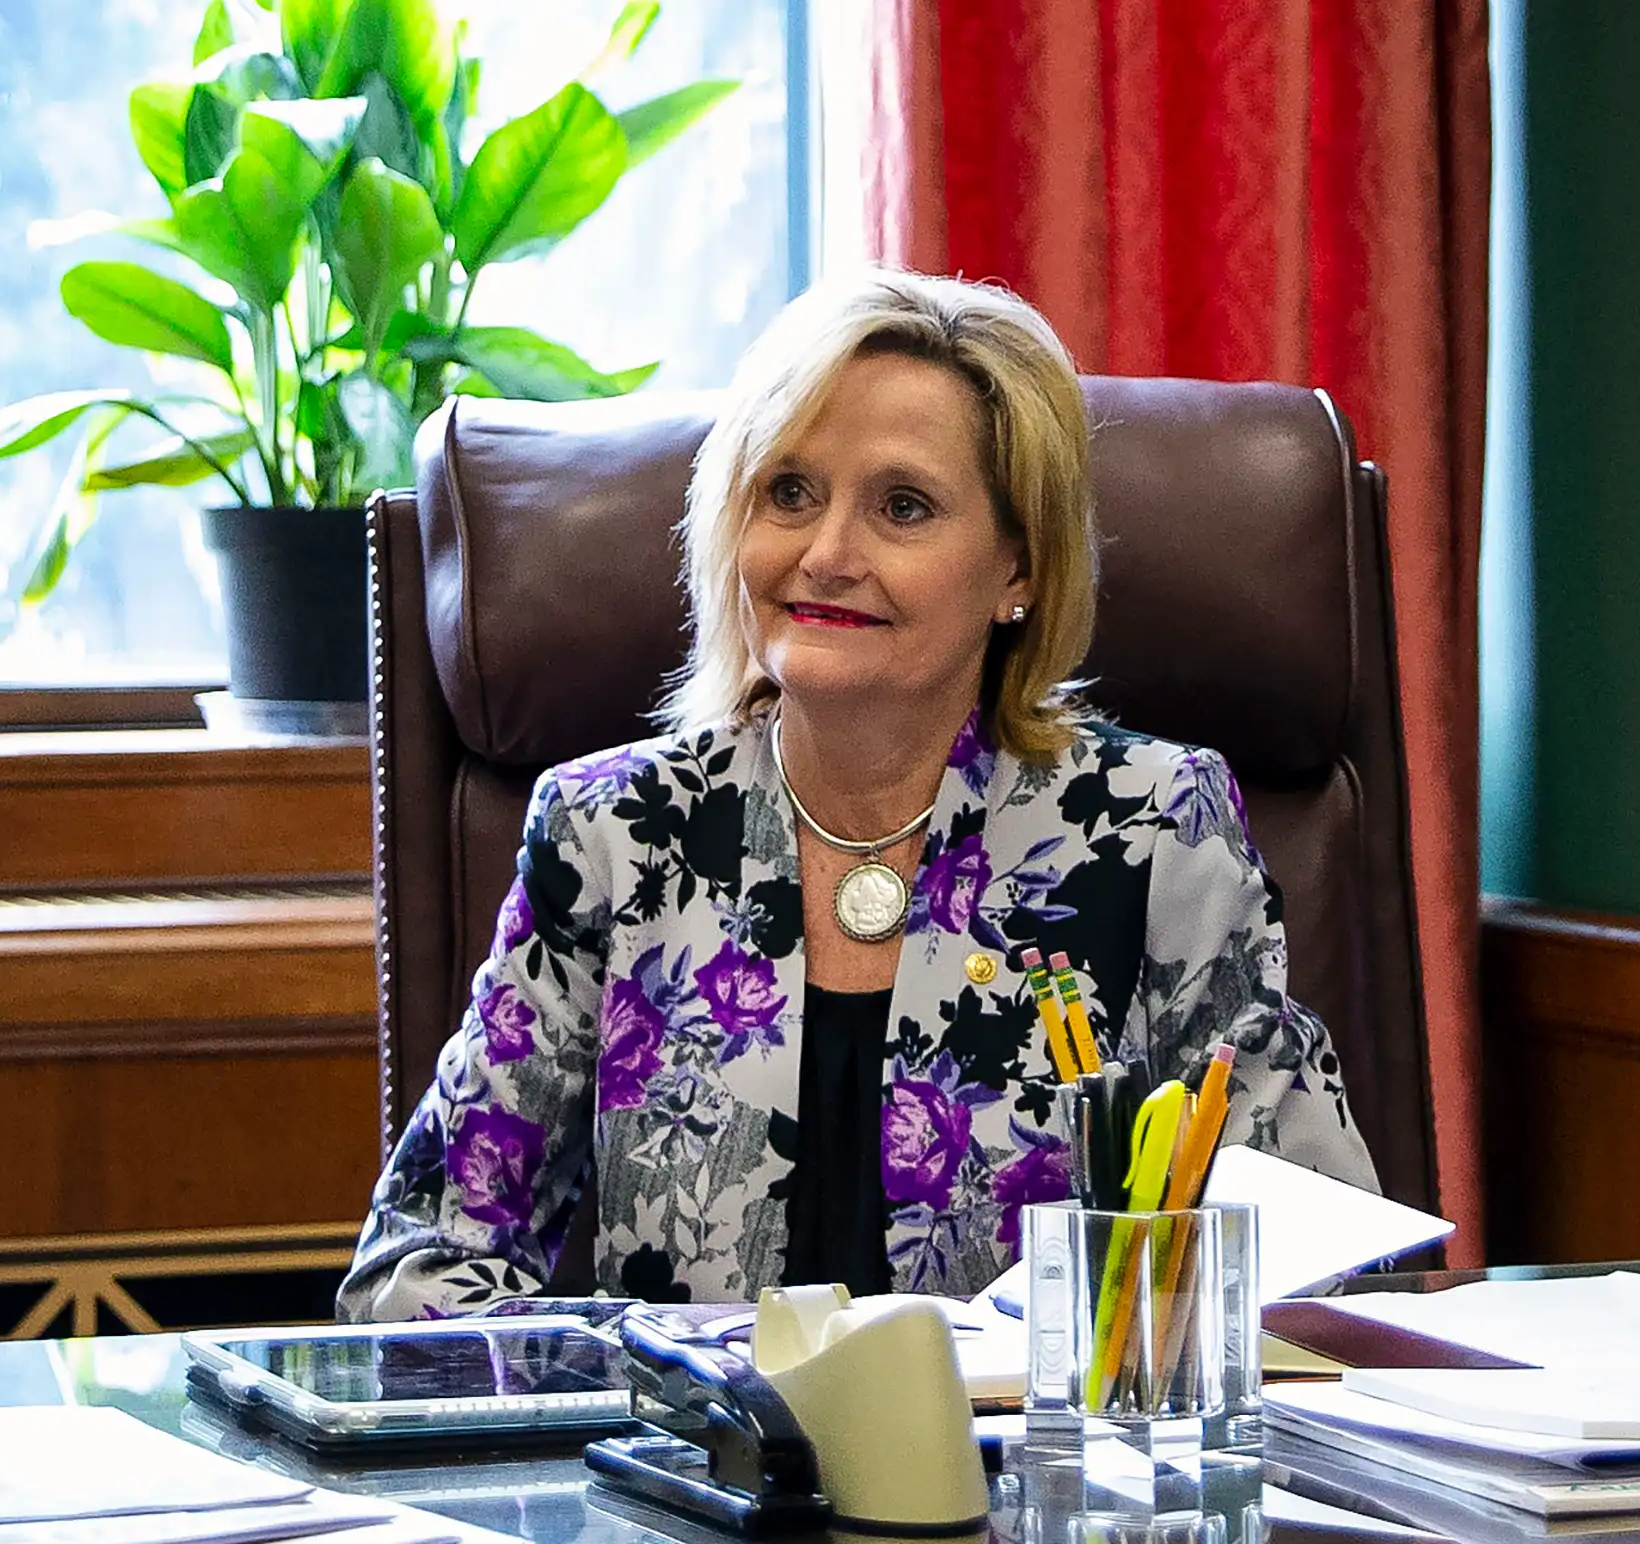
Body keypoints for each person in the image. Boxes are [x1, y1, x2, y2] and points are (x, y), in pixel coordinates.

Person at [342, 269, 1378, 1320]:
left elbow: (1312, 1257)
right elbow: (409, 1278)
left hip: (1031, 1468)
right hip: (703, 1471)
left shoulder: (1155, 829)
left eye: (902, 507)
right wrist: (658, 1372)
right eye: (788, 492)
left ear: (1017, 566)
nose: (827, 555)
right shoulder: (611, 835)